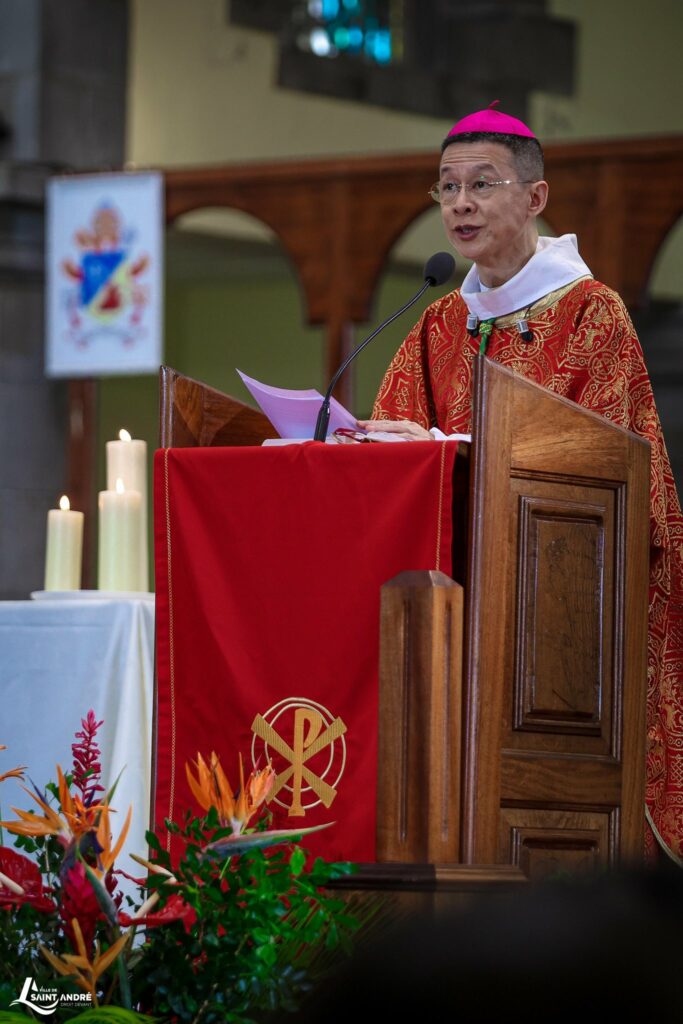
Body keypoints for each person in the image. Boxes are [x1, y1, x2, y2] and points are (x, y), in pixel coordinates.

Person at [362, 104, 683, 859]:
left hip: (555, 628)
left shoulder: (592, 315)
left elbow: (607, 472)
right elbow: (387, 452)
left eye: (481, 184)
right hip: (452, 616)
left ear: (535, 197)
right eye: (446, 188)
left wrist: (452, 451)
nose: (460, 204)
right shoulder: (436, 323)